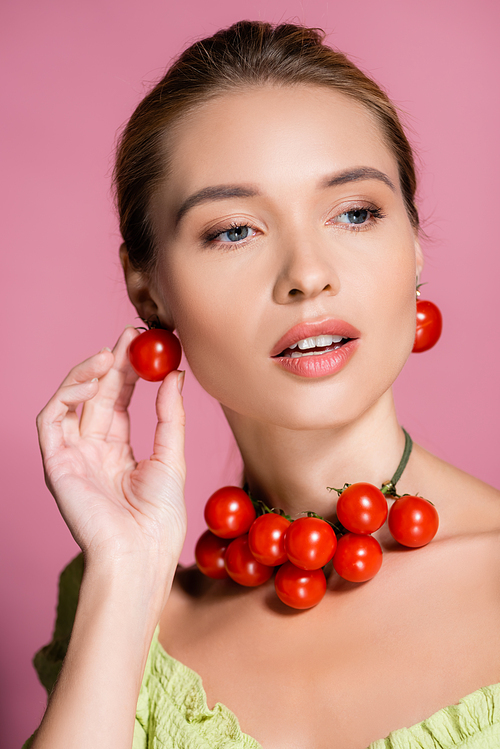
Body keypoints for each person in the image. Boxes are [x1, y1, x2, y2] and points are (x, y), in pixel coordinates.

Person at [25, 20, 500, 749]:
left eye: (355, 212)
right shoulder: (126, 615)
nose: (308, 273)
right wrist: (123, 579)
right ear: (148, 289)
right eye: (234, 230)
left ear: (412, 245)